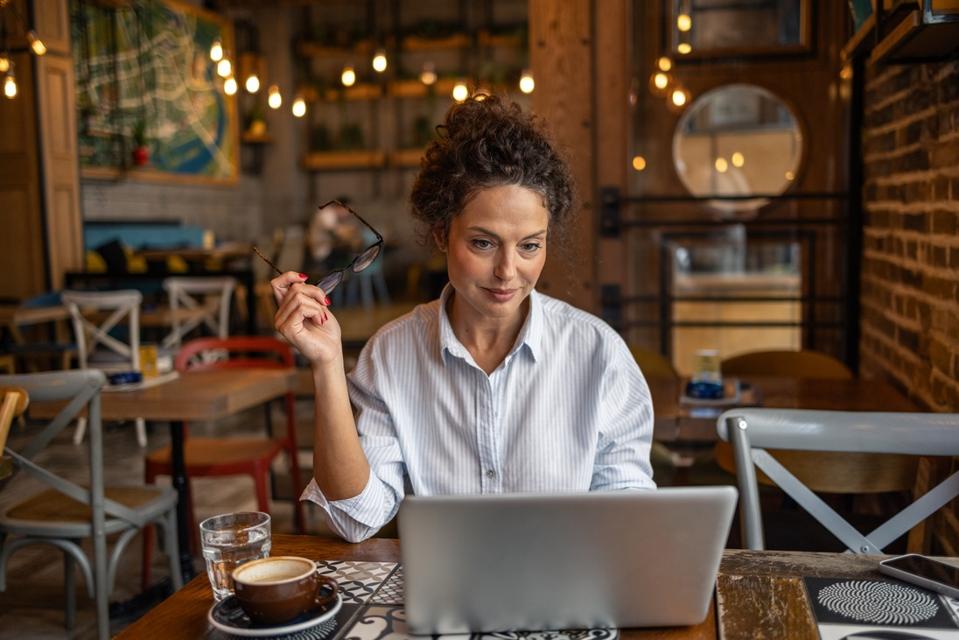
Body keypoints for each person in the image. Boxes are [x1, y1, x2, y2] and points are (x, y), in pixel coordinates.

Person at [272, 95, 655, 543]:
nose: (508, 271)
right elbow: (359, 518)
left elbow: (629, 518)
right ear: (442, 235)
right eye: (483, 244)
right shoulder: (392, 353)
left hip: (565, 602)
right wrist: (326, 364)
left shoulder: (599, 353)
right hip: (444, 606)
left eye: (530, 245)